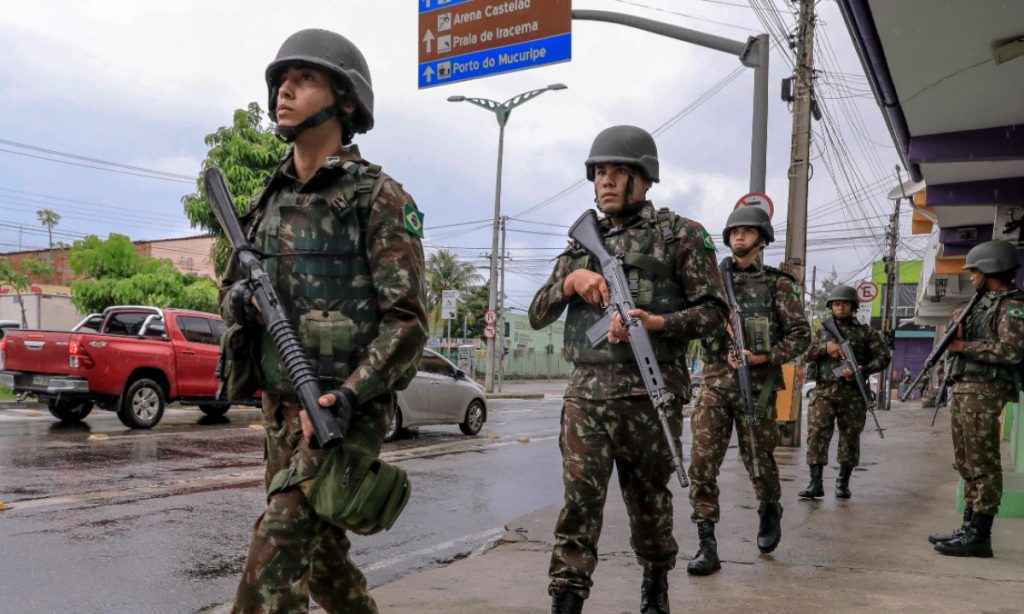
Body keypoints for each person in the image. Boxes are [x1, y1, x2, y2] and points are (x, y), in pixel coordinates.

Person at [221, 29, 428, 613]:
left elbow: (408, 323)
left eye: (304, 78)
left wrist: (347, 394)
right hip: (280, 413)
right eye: (280, 81)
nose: (285, 89)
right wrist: (242, 303)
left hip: (343, 415)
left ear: (343, 99)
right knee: (324, 564)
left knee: (278, 548)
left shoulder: (378, 198)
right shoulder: (267, 199)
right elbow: (227, 294)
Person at [528, 125, 727, 613]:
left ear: (644, 179)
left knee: (649, 503)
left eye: (619, 171)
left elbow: (717, 313)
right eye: (600, 172)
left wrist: (657, 322)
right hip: (587, 398)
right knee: (578, 505)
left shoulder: (681, 236)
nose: (606, 181)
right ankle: (567, 598)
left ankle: (655, 586)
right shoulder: (579, 247)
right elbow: (537, 314)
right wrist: (571, 281)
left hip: (648, 398)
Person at [685, 207, 810, 576]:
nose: (739, 237)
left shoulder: (777, 284)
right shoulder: (713, 283)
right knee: (702, 464)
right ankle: (707, 544)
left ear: (762, 239)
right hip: (714, 383)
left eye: (747, 231)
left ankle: (770, 505)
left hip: (758, 387)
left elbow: (801, 335)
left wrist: (765, 356)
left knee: (758, 461)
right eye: (734, 231)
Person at [929, 240, 1024, 558]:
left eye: (975, 272)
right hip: (966, 389)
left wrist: (962, 348)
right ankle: (968, 525)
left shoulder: (1013, 306)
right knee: (967, 462)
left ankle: (980, 536)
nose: (971, 278)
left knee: (983, 464)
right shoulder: (981, 304)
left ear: (993, 270)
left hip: (985, 391)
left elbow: (1011, 351)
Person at [799, 285, 889, 500]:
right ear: (831, 307)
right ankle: (816, 482)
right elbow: (805, 354)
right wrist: (825, 348)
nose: (840, 308)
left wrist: (862, 370)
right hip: (823, 392)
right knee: (817, 435)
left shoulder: (866, 332)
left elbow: (883, 358)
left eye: (845, 304)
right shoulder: (822, 332)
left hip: (852, 393)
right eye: (836, 304)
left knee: (849, 438)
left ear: (853, 307)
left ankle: (843, 483)